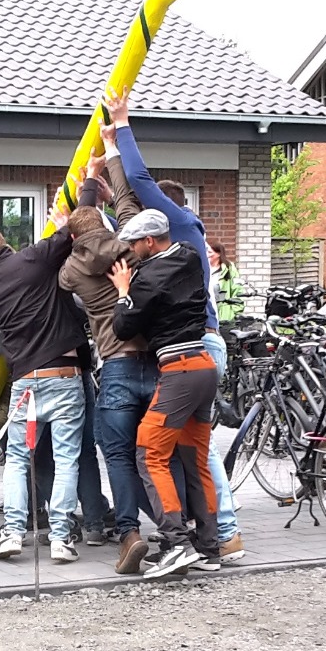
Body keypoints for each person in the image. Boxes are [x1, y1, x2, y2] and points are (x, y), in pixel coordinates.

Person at [101, 90, 245, 563]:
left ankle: (193, 538)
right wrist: (107, 167)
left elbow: (139, 181)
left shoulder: (172, 236)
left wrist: (122, 128)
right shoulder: (188, 246)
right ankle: (213, 540)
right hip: (204, 355)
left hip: (185, 358)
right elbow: (129, 207)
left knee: (153, 451)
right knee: (195, 453)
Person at [0, 216, 90, 565]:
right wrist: (89, 189)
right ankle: (61, 539)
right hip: (64, 374)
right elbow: (76, 227)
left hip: (26, 380)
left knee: (18, 459)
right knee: (66, 459)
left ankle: (13, 531)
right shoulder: (36, 256)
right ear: (3, 242)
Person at [59, 155, 158, 574]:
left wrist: (83, 192)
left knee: (116, 454)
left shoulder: (70, 270)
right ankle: (182, 528)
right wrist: (106, 168)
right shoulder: (131, 250)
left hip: (115, 366)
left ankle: (129, 533)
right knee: (159, 453)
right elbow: (127, 202)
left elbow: (72, 243)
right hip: (155, 363)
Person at [109, 208, 221, 577]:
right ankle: (209, 547)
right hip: (204, 365)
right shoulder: (189, 256)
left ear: (149, 241)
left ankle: (176, 543)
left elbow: (123, 327)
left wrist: (123, 291)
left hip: (179, 370)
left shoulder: (147, 276)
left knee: (149, 453)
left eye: (134, 244)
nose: (131, 250)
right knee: (195, 461)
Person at [207, 240, 244, 325]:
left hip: (225, 317)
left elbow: (238, 290)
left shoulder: (229, 269)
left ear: (218, 254)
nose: (207, 255)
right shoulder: (204, 269)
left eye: (210, 252)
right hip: (208, 314)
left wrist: (232, 312)